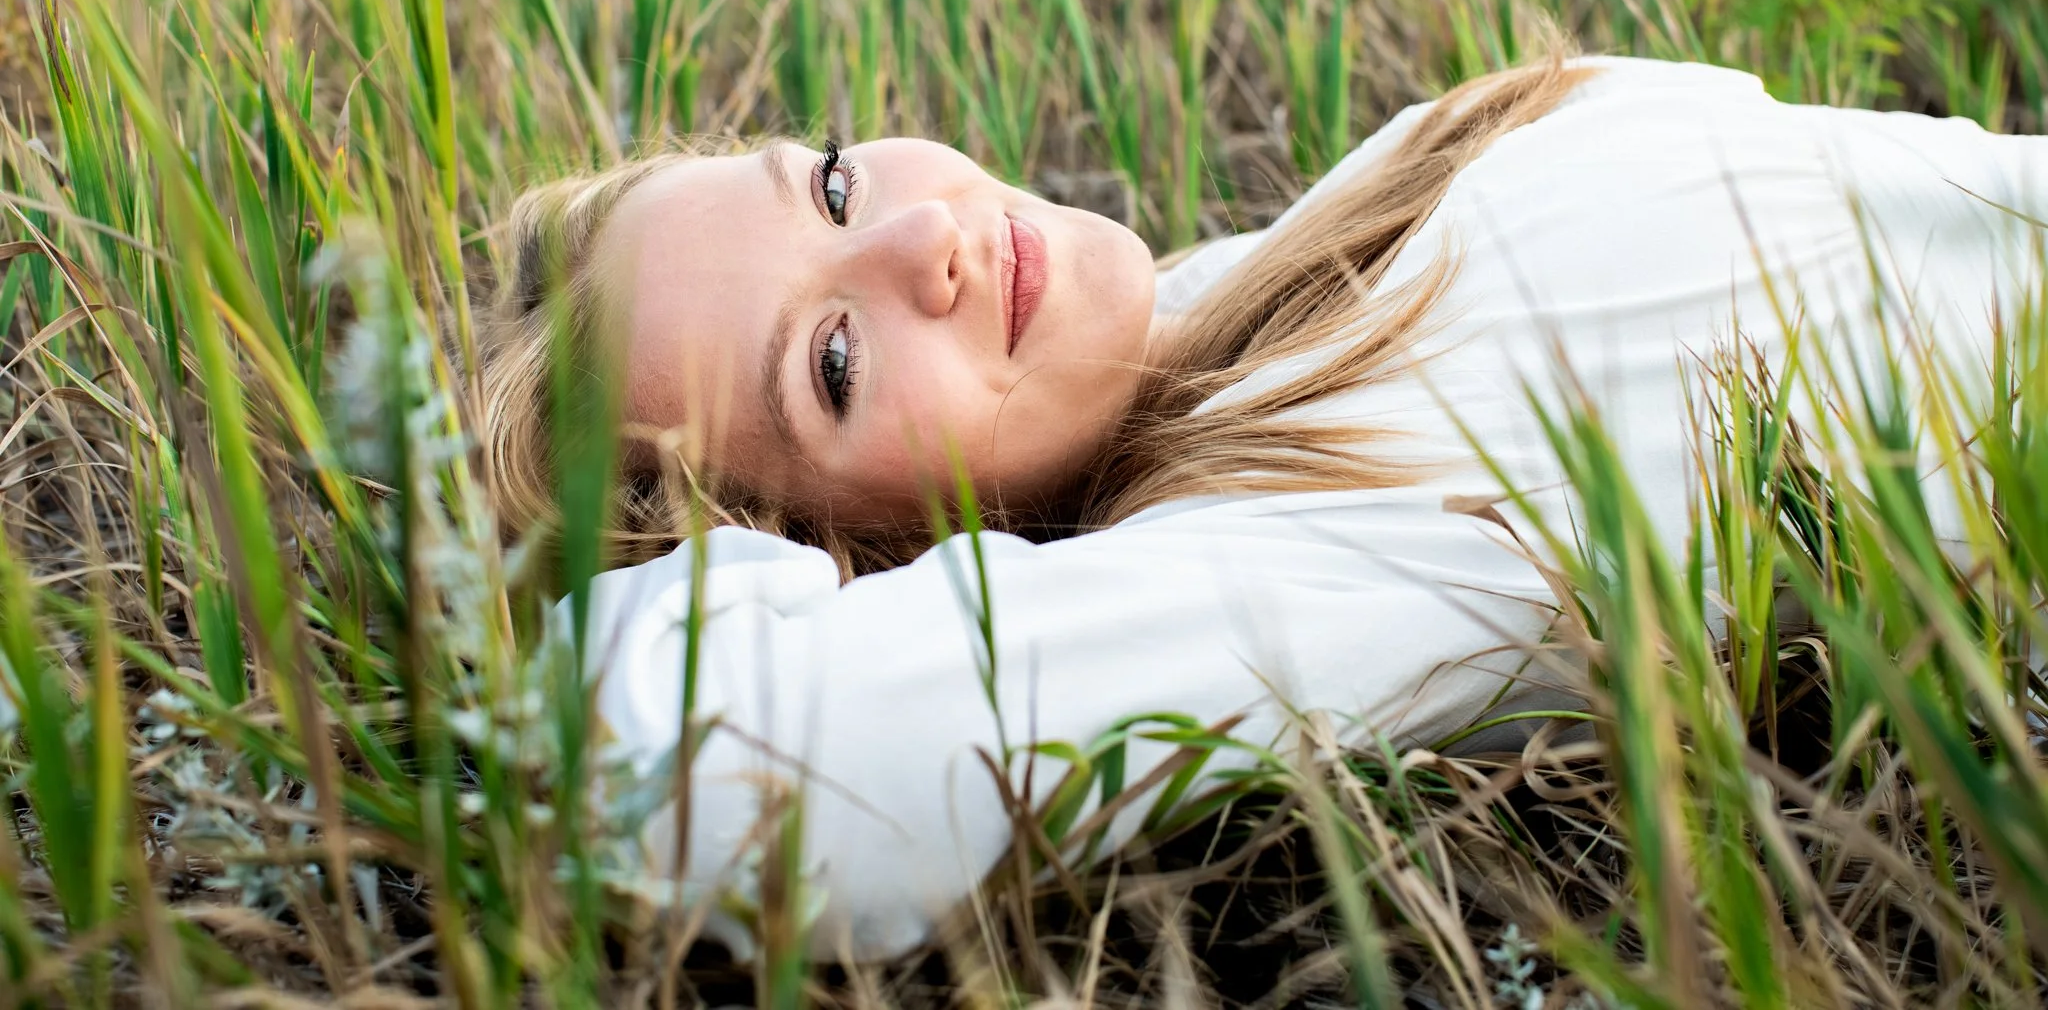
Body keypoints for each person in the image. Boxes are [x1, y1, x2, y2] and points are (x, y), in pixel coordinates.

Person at [477, 54, 2045, 958]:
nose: (916, 247)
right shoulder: (1276, 555)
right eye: (831, 360)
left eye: (827, 183)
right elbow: (686, 774)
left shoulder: (1284, 276)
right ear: (867, 557)